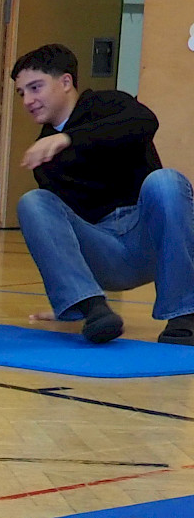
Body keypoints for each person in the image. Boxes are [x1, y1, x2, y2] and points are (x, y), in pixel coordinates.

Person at [10, 42, 194, 345]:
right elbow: (60, 233)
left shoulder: (112, 104)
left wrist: (69, 138)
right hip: (105, 251)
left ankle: (184, 316)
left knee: (165, 182)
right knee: (34, 202)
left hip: (150, 238)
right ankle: (91, 308)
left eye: (35, 87)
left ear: (66, 82)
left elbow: (144, 122)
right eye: (21, 93)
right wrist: (69, 297)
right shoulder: (43, 154)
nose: (28, 100)